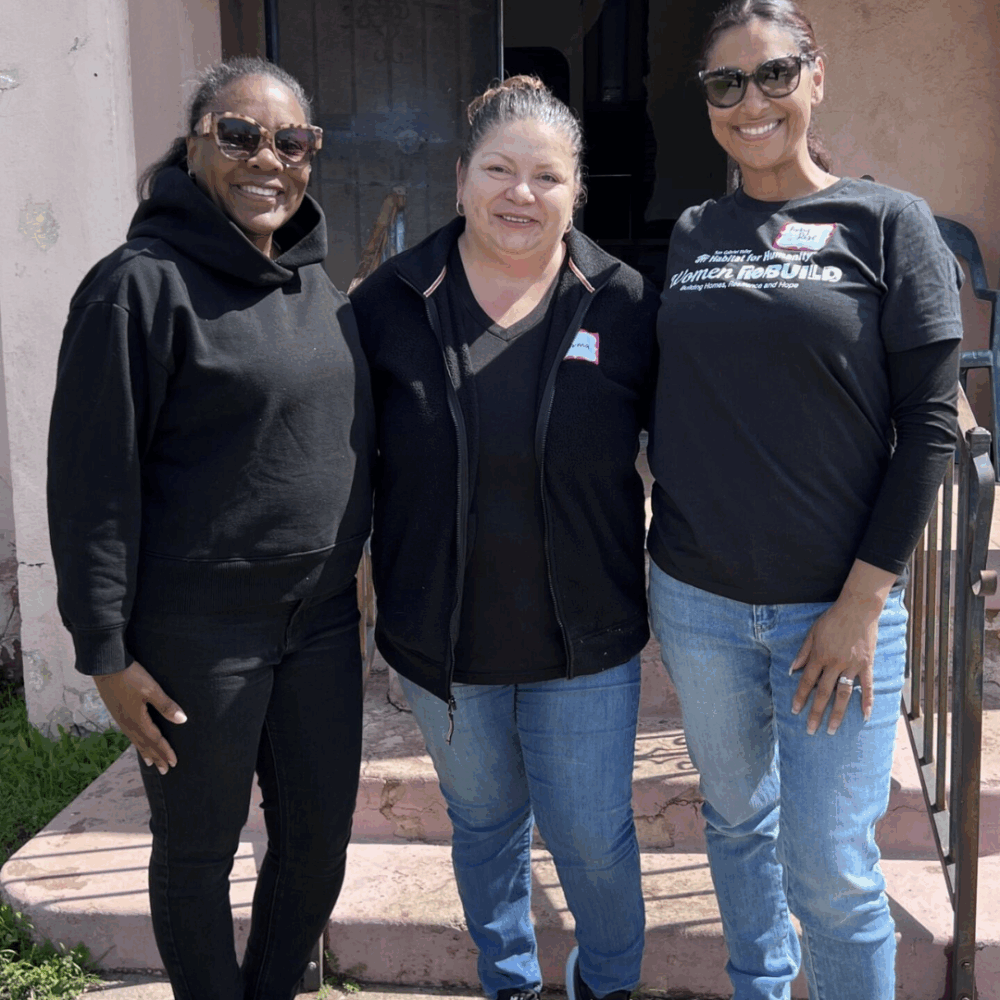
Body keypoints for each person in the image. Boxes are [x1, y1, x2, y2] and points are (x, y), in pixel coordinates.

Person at [646, 2, 963, 998]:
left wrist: (861, 607)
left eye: (774, 74)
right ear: (705, 102)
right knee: (737, 824)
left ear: (814, 77)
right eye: (725, 83)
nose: (751, 101)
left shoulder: (887, 221)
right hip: (696, 599)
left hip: (832, 610)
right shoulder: (694, 230)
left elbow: (931, 426)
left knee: (830, 866)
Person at [47, 56, 374, 1000]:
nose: (266, 158)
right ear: (194, 147)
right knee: (198, 850)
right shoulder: (134, 289)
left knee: (317, 845)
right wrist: (104, 650)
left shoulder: (320, 290)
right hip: (197, 635)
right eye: (238, 134)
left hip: (315, 628)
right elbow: (91, 486)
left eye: (292, 140)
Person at [350, 76, 658, 1000]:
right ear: (459, 178)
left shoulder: (625, 302)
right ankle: (511, 982)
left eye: (547, 176)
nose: (521, 194)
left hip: (587, 638)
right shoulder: (392, 303)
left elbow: (696, 445)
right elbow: (342, 465)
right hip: (441, 640)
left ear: (577, 192)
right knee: (483, 826)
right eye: (499, 169)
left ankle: (607, 986)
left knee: (593, 839)